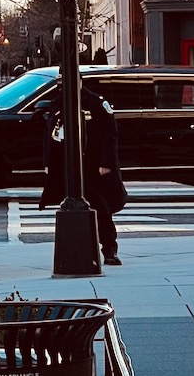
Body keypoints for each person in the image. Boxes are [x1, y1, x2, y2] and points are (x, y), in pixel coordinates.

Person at [40, 79, 126, 266]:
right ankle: (78, 250)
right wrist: (49, 162)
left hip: (92, 165)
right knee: (71, 208)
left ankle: (109, 250)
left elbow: (111, 134)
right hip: (68, 166)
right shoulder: (59, 103)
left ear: (78, 80)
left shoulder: (96, 103)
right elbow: (49, 135)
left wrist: (106, 163)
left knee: (101, 209)